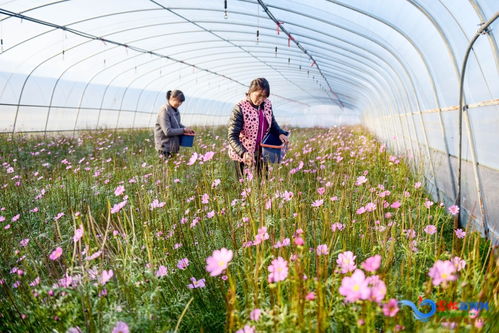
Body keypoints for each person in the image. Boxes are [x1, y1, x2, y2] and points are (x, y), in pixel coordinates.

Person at [228, 78, 289, 178]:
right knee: (243, 185)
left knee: (263, 181)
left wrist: (280, 133)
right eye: (258, 95)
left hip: (261, 152)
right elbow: (232, 136)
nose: (261, 99)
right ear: (251, 92)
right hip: (244, 153)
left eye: (264, 96)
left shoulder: (267, 104)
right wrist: (243, 153)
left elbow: (272, 122)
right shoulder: (240, 108)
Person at [154, 90, 195, 160]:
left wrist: (186, 128)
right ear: (171, 98)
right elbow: (167, 131)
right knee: (166, 168)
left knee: (172, 168)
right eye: (178, 101)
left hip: (173, 146)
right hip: (164, 147)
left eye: (181, 102)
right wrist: (183, 130)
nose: (179, 104)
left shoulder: (175, 110)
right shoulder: (164, 110)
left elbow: (177, 124)